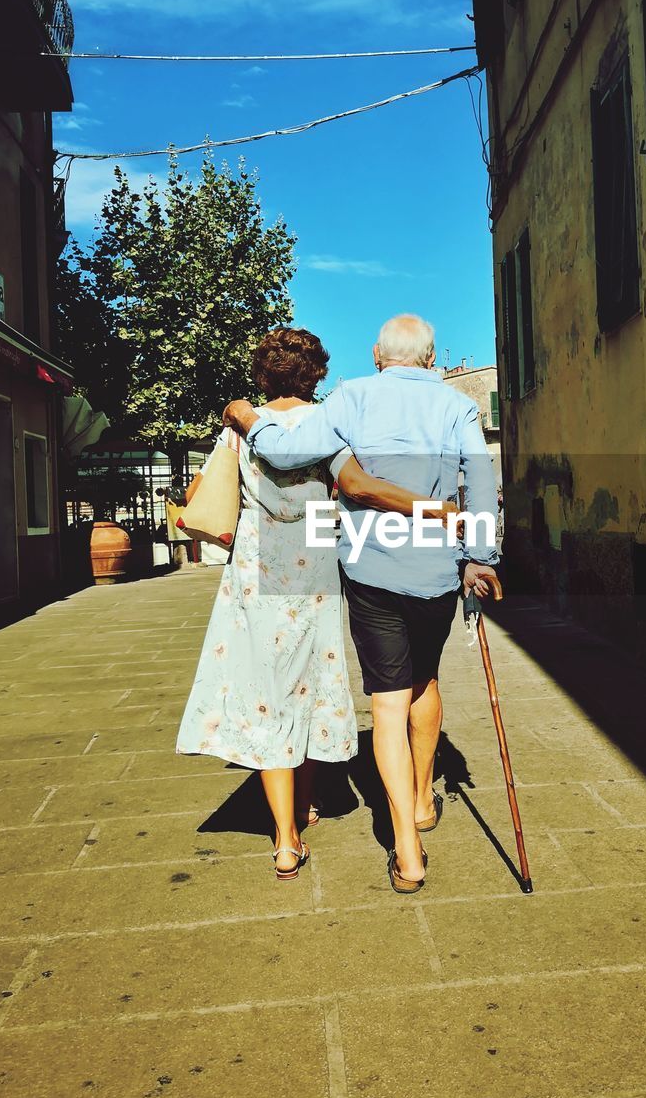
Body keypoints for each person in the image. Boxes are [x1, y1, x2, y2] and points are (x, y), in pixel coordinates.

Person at [224, 314, 501, 894]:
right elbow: (479, 477)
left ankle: (407, 848)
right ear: (432, 360)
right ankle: (424, 801)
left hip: (372, 571)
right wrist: (480, 557)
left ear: (377, 354)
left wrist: (249, 419)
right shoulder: (457, 406)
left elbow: (284, 448)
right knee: (425, 678)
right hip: (437, 571)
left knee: (388, 704)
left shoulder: (352, 397)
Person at [176, 328, 457, 880]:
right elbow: (360, 487)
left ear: (262, 372)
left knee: (269, 699)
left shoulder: (242, 427)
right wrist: (433, 509)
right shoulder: (330, 426)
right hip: (317, 578)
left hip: (255, 580)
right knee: (305, 690)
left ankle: (286, 840)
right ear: (317, 373)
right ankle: (313, 804)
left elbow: (197, 499)